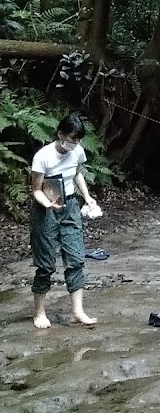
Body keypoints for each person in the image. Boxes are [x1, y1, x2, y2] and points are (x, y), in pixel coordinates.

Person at [29, 112, 99, 329]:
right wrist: (48, 204)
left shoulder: (77, 151)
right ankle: (39, 312)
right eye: (71, 139)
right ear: (61, 134)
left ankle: (77, 311)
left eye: (78, 140)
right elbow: (35, 190)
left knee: (76, 258)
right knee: (46, 263)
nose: (75, 143)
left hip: (69, 206)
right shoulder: (43, 156)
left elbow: (77, 173)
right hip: (45, 209)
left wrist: (87, 197)